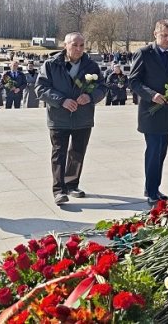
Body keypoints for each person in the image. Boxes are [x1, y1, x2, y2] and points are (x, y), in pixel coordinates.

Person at [36, 32, 107, 206]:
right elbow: (40, 88)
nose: (78, 49)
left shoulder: (91, 66)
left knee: (78, 152)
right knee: (58, 153)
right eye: (75, 45)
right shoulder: (51, 65)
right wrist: (62, 100)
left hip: (82, 117)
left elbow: (102, 87)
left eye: (82, 45)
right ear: (65, 45)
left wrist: (90, 97)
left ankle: (72, 184)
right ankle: (59, 190)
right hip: (59, 117)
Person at [129, 20, 168, 205]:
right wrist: (151, 95)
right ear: (155, 34)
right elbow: (134, 81)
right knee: (154, 150)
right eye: (164, 35)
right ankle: (152, 190)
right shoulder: (144, 53)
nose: (167, 39)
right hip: (150, 111)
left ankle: (153, 188)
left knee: (161, 152)